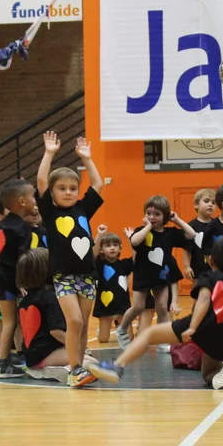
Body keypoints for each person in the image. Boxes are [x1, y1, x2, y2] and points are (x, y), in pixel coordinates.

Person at [87, 237, 223, 391]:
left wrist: (193, 327)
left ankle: (117, 366)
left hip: (198, 326)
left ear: (211, 260)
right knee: (209, 374)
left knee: (149, 334)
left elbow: (204, 300)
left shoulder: (210, 276)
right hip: (220, 340)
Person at [35, 131, 105, 388]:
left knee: (83, 325)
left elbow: (97, 184)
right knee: (73, 321)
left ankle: (80, 366)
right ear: (52, 193)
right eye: (62, 189)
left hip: (88, 276)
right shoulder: (50, 212)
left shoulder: (83, 209)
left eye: (73, 188)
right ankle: (75, 369)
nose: (68, 192)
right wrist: (49, 153)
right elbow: (41, 180)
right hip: (63, 276)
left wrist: (87, 158)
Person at [117, 196, 196, 348]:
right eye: (149, 213)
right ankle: (122, 330)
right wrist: (147, 227)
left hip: (161, 276)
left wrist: (177, 220)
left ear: (165, 216)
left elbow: (192, 234)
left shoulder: (170, 233)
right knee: (138, 307)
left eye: (157, 214)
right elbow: (134, 241)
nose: (152, 217)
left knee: (162, 307)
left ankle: (162, 340)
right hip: (142, 275)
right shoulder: (142, 231)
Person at [0, 178, 37, 379]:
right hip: (3, 280)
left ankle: (4, 359)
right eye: (33, 197)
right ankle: (2, 365)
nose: (35, 201)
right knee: (10, 322)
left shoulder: (4, 225)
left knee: (7, 322)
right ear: (22, 202)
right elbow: (21, 260)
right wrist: (21, 282)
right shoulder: (20, 228)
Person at [16, 248, 72, 383]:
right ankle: (64, 370)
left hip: (30, 357)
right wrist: (76, 346)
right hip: (46, 355)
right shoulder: (50, 298)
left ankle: (40, 369)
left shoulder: (24, 301)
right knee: (86, 360)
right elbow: (56, 332)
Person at [92, 229, 134, 344]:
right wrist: (99, 235)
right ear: (101, 249)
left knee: (130, 338)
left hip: (122, 305)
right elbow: (93, 254)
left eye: (115, 245)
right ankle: (102, 329)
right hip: (104, 305)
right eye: (108, 245)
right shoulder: (99, 264)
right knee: (103, 339)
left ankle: (119, 324)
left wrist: (131, 239)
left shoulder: (124, 264)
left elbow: (136, 257)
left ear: (120, 248)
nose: (112, 248)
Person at [187, 189, 217, 279]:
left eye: (213, 203)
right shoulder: (191, 226)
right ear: (196, 204)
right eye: (206, 201)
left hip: (215, 268)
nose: (210, 204)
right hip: (197, 268)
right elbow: (187, 249)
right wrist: (186, 266)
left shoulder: (217, 224)